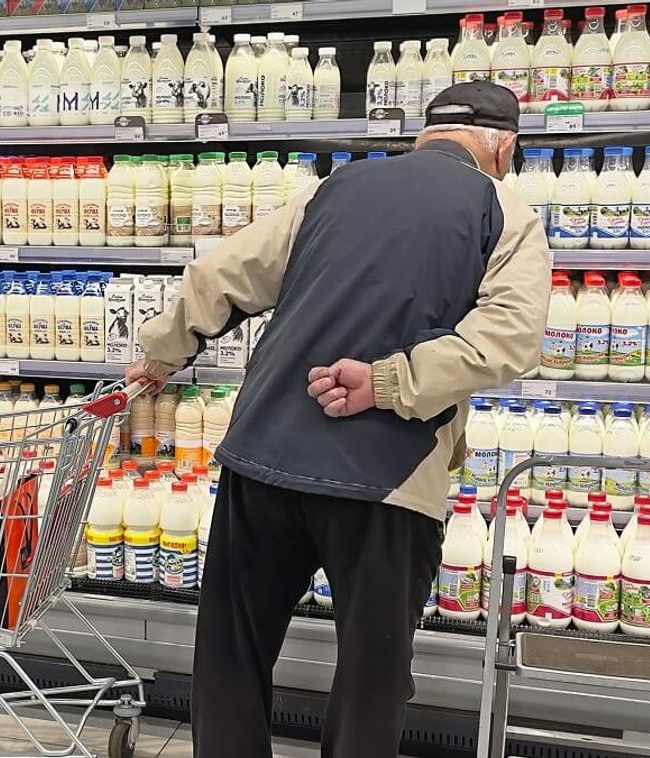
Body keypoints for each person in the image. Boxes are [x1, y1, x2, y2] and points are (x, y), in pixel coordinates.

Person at [128, 81, 551, 758]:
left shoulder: (332, 189)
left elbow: (219, 276)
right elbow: (510, 335)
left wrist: (160, 353)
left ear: (424, 136)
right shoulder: (504, 210)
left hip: (264, 451)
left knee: (231, 654)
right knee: (369, 675)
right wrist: (389, 380)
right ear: (503, 146)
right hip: (386, 476)